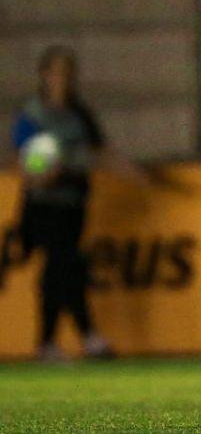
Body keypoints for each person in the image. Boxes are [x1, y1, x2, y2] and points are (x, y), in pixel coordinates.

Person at [13, 47, 125, 361]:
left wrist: (135, 173)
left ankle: (50, 342)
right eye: (58, 72)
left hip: (73, 205)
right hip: (43, 205)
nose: (64, 79)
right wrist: (42, 175)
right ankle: (86, 337)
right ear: (45, 76)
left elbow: (100, 152)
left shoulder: (79, 114)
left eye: (68, 72)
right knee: (63, 265)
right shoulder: (33, 115)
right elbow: (21, 161)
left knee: (61, 270)